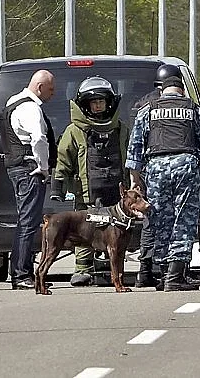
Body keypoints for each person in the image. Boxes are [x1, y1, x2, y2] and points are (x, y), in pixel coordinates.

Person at [126, 75, 200, 291]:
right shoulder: (193, 108)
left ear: (162, 91)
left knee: (160, 220)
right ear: (182, 90)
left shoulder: (148, 109)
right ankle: (176, 276)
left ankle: (164, 274)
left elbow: (135, 144)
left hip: (156, 168)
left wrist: (135, 178)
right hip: (186, 164)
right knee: (183, 220)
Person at [51, 77, 129, 286]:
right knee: (85, 229)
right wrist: (58, 185)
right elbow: (63, 159)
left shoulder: (121, 129)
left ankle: (115, 269)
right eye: (93, 102)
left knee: (116, 230)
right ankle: (83, 268)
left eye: (101, 101)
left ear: (109, 103)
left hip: (116, 190)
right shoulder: (75, 131)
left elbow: (130, 157)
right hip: (87, 192)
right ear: (84, 105)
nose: (97, 106)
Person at [0, 70, 56, 290]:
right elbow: (39, 138)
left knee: (25, 221)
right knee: (28, 223)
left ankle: (22, 272)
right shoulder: (31, 108)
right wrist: (43, 167)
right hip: (29, 168)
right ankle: (22, 274)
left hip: (16, 167)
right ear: (40, 87)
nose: (52, 95)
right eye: (50, 90)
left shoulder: (13, 101)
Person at [132, 63, 184, 289]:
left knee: (151, 220)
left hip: (149, 169)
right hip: (175, 170)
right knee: (174, 221)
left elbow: (136, 142)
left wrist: (135, 175)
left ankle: (145, 271)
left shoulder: (145, 105)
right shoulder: (181, 104)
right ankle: (166, 271)